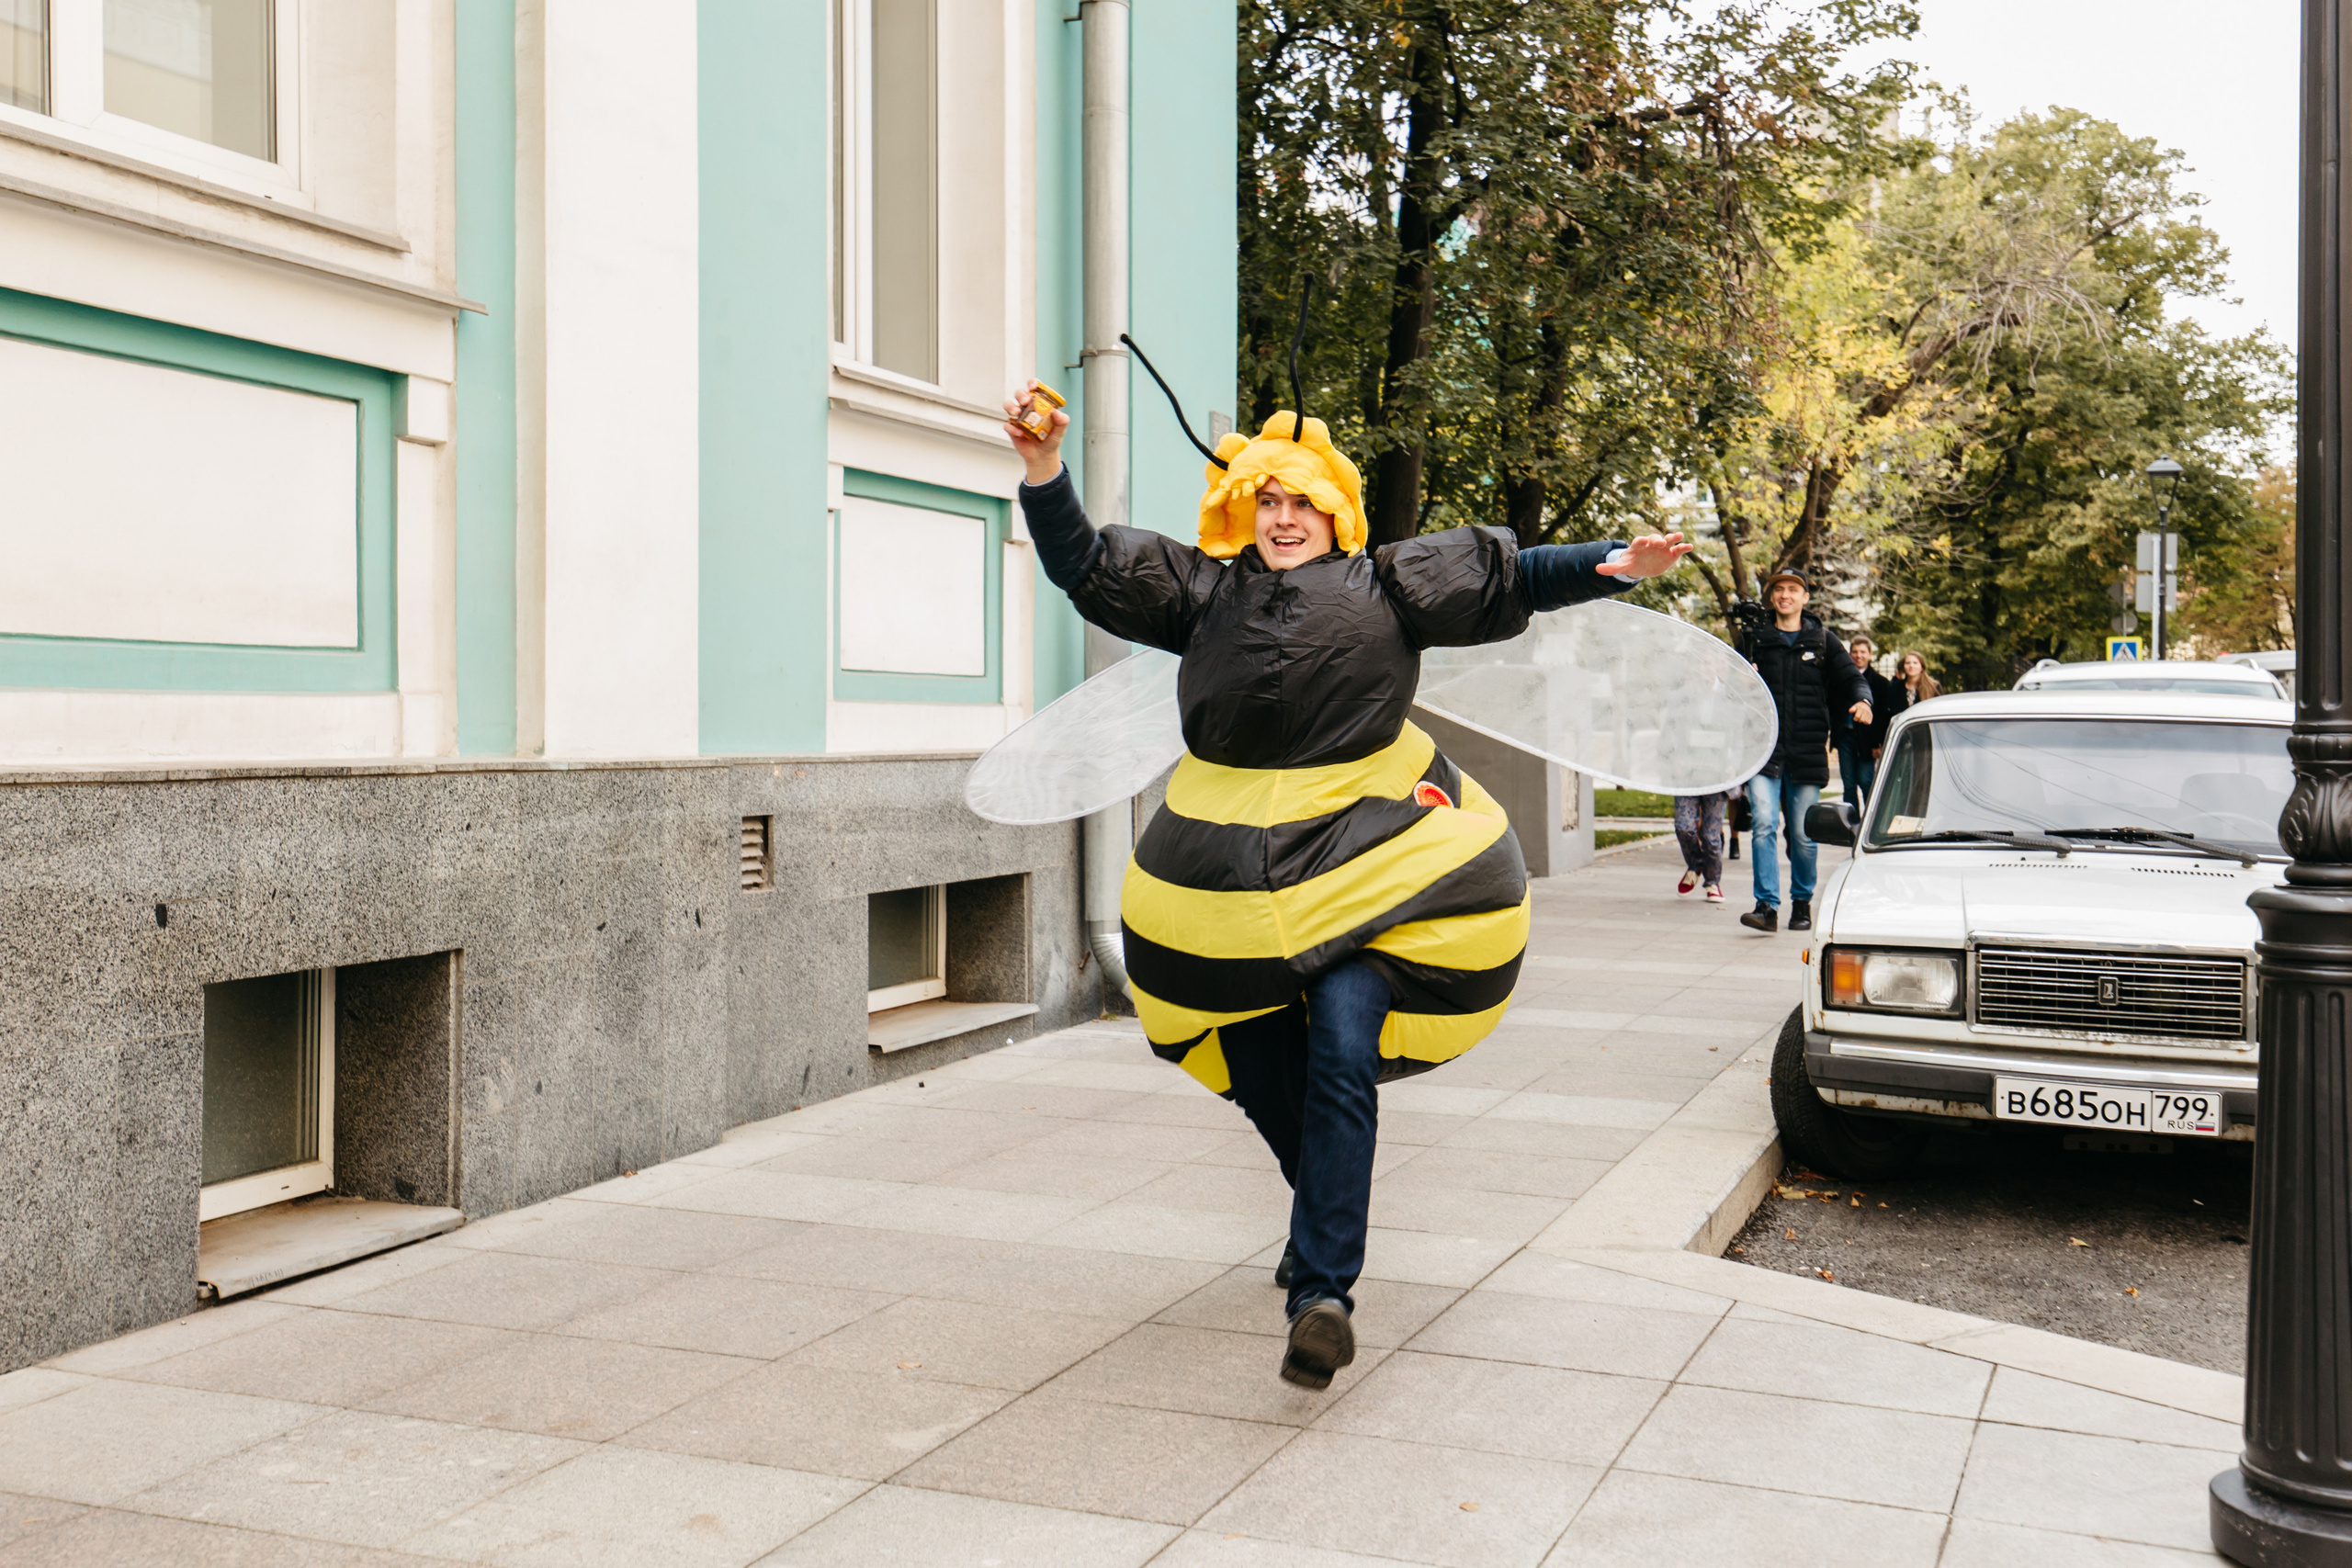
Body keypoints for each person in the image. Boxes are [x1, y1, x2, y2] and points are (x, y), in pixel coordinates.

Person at [1004, 381, 1688, 1387]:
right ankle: (1313, 1222)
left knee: (1337, 1053)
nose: (1284, 520)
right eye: (1267, 503)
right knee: (1268, 1076)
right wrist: (1040, 468)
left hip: (1370, 874)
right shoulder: (1200, 593)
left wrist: (1612, 565)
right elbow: (1087, 565)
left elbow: (1509, 577)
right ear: (1244, 510)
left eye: (1301, 503)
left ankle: (1320, 1293)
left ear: (1335, 510)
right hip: (1226, 885)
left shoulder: (1389, 585)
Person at [1736, 570, 1871, 934]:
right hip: (1764, 750)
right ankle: (1766, 905)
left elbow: (1851, 679)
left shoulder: (1823, 640)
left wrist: (1863, 700)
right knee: (1763, 823)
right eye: (1779, 590)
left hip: (1808, 750)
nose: (1785, 595)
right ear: (1772, 597)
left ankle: (1801, 903)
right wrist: (1740, 675)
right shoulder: (1755, 638)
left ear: (1805, 598)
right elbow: (1730, 686)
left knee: (1803, 834)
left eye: (1793, 590)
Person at [1831, 634, 1905, 807]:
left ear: (1870, 654)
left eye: (1863, 652)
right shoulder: (1840, 681)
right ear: (1849, 655)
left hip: (1868, 739)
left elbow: (1883, 716)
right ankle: (1851, 825)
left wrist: (1878, 743)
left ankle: (1869, 819)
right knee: (1849, 784)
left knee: (1866, 781)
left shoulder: (1880, 683)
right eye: (1855, 652)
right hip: (1845, 736)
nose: (1859, 656)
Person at [1674, 790, 1731, 903]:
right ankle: (1696, 864)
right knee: (1684, 828)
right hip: (1687, 780)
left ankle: (1712, 883)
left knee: (1710, 837)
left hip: (1718, 781)